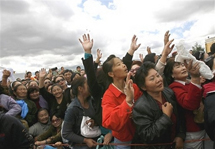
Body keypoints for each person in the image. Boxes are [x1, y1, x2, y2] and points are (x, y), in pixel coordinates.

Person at [101, 35, 142, 149]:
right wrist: (128, 102)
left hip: (141, 134)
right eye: (118, 64)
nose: (124, 65)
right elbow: (109, 122)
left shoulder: (133, 86)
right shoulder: (108, 96)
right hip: (124, 141)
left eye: (122, 62)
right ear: (111, 74)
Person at [132, 61, 185, 149]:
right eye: (152, 79)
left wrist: (180, 135)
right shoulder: (140, 107)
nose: (159, 80)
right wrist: (166, 116)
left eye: (158, 75)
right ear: (143, 87)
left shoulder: (169, 93)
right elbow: (147, 136)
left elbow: (181, 116)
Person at [163, 57, 205, 148]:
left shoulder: (189, 83)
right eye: (177, 66)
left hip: (202, 127)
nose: (183, 68)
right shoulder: (174, 88)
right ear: (172, 74)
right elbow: (190, 104)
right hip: (192, 131)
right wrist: (195, 78)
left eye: (183, 65)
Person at [62, 76, 99, 148]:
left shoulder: (92, 101)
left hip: (97, 141)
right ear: (80, 89)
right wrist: (85, 140)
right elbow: (66, 133)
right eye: (88, 84)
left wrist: (95, 122)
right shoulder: (72, 109)